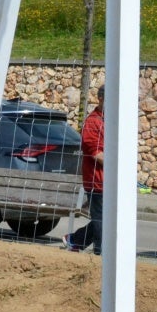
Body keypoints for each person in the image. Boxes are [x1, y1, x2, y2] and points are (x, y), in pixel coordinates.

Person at [64, 84, 104, 255]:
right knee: (102, 219)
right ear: (101, 99)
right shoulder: (92, 122)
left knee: (106, 218)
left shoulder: (113, 121)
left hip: (111, 181)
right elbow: (96, 154)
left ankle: (76, 239)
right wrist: (119, 168)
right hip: (97, 181)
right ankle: (101, 253)